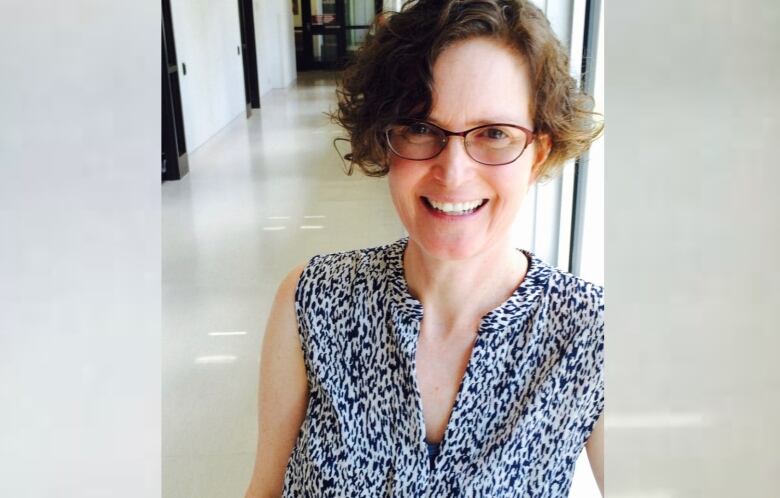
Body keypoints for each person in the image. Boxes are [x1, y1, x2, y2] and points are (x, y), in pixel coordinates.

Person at [245, 0, 604, 496]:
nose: (453, 173)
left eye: (495, 133)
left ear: (538, 154)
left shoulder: (591, 333)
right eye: (419, 129)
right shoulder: (312, 301)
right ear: (384, 138)